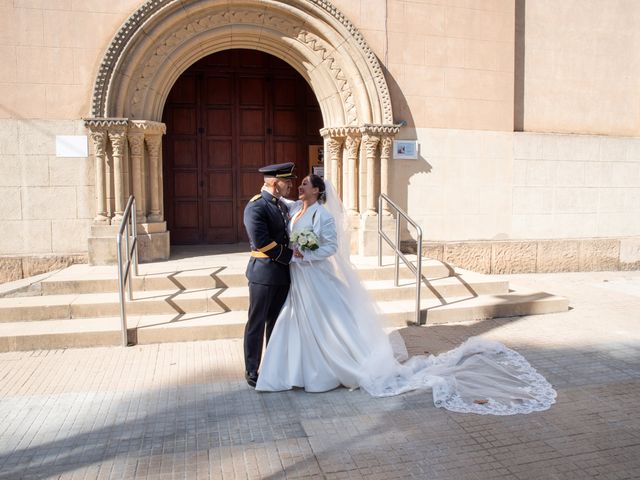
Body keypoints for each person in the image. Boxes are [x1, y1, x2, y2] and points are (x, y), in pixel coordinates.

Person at [256, 174, 557, 415]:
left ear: (317, 191)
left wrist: (304, 254)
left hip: (315, 274)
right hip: (299, 278)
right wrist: (269, 185)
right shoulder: (296, 209)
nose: (299, 186)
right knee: (298, 321)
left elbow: (330, 248)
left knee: (328, 322)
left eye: (305, 183)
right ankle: (296, 371)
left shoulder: (322, 215)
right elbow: (275, 196)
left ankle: (335, 368)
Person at [242, 162, 296, 388]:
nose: (291, 185)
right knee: (257, 322)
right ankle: (252, 369)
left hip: (281, 275)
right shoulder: (257, 206)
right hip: (263, 273)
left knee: (275, 323)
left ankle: (272, 366)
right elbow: (263, 242)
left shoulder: (280, 205)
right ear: (274, 183)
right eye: (287, 181)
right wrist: (291, 256)